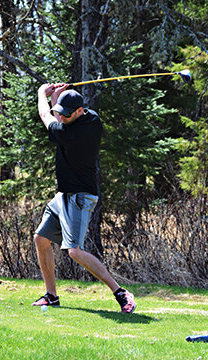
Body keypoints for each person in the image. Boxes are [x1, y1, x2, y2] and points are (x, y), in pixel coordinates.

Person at [31, 83, 137, 313]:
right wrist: (58, 95)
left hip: (80, 197)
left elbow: (45, 115)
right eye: (62, 112)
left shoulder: (72, 133)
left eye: (67, 114)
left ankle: (121, 293)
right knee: (41, 238)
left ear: (79, 111)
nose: (63, 117)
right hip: (63, 195)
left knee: (75, 251)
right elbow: (58, 112)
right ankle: (51, 296)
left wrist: (42, 93)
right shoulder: (92, 119)